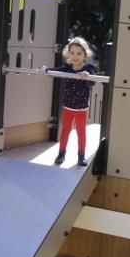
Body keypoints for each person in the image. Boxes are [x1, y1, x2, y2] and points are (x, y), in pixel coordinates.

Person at [43, 37, 96, 166]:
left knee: (81, 132)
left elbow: (92, 82)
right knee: (65, 130)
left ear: (85, 54)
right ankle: (61, 153)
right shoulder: (67, 68)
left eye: (79, 53)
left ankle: (81, 156)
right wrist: (44, 68)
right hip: (68, 107)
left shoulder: (88, 68)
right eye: (72, 53)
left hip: (82, 108)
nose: (75, 56)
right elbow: (54, 71)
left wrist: (87, 76)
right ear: (68, 54)